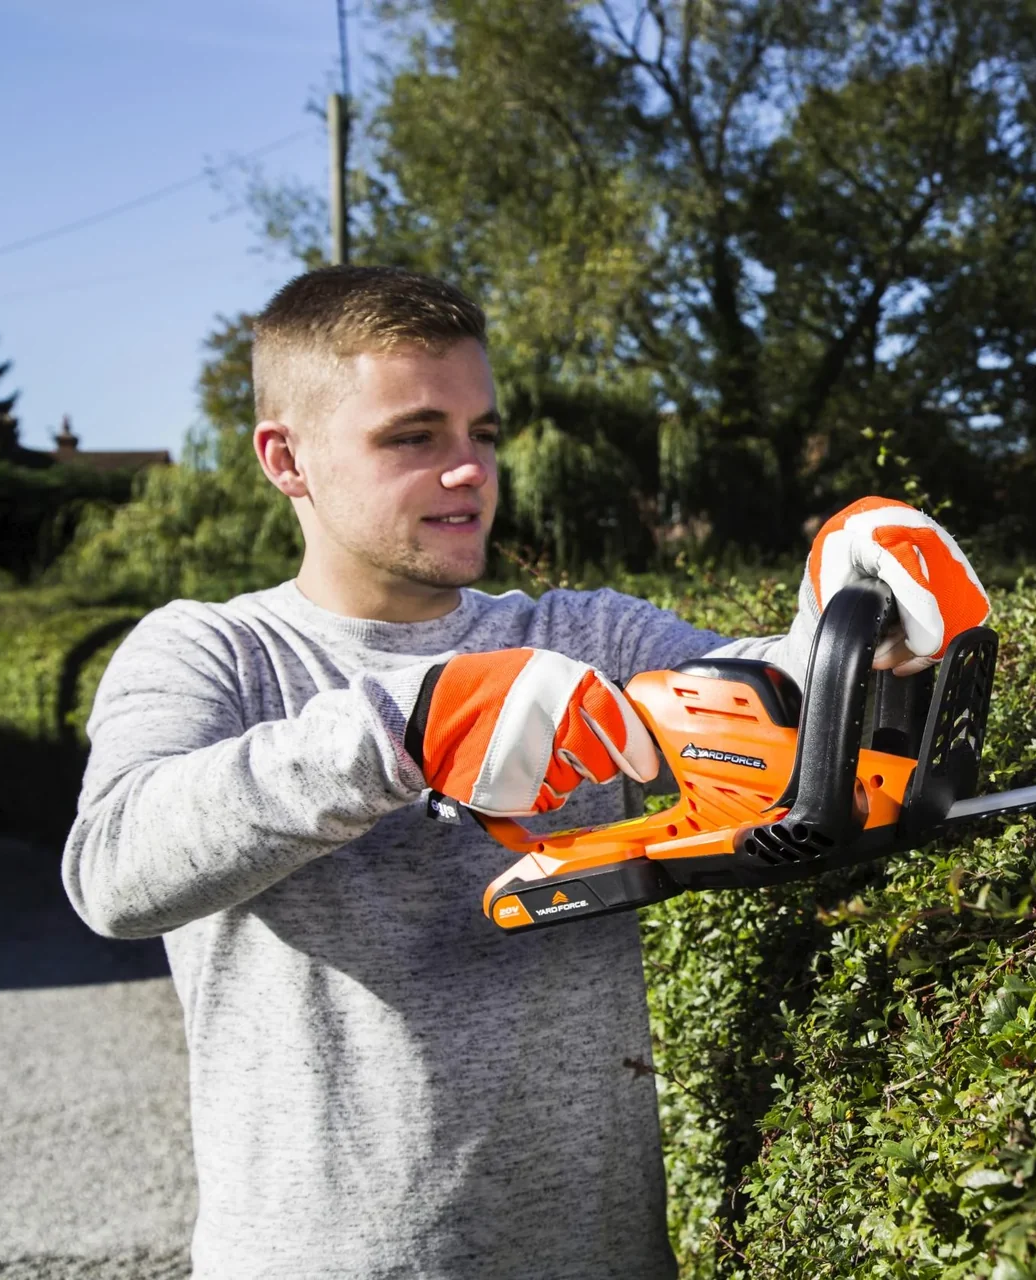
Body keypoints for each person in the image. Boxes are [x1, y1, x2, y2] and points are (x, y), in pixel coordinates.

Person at [61, 265, 989, 1278]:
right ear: (287, 458)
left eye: (484, 433)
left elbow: (757, 705)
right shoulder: (213, 653)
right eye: (415, 437)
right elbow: (114, 867)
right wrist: (403, 728)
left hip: (602, 1256)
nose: (470, 470)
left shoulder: (578, 630)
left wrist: (854, 627)